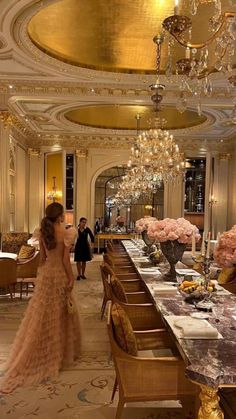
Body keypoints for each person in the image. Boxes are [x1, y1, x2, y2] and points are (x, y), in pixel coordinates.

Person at [0, 203, 81, 394]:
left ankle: (39, 347)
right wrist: (71, 277)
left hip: (46, 275)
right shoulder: (66, 232)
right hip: (59, 274)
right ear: (60, 215)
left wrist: (40, 277)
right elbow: (64, 261)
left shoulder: (42, 231)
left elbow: (42, 259)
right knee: (62, 312)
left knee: (41, 314)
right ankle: (59, 353)